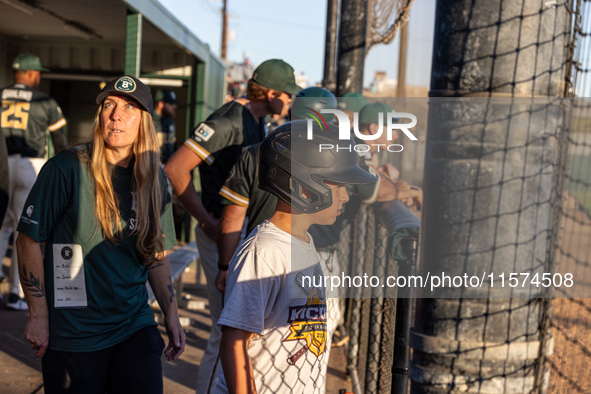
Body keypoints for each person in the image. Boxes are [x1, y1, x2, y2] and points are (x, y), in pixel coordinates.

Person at [15, 75, 185, 393]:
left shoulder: (155, 182)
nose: (115, 114)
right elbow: (28, 240)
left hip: (133, 321)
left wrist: (171, 314)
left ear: (145, 122)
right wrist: (37, 315)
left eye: (128, 108)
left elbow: (156, 255)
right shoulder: (67, 169)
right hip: (74, 329)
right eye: (109, 105)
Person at [164, 58, 301, 394]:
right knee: (226, 329)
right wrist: (204, 218)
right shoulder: (228, 119)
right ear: (269, 92)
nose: (290, 102)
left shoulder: (255, 120)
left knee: (237, 328)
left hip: (237, 231)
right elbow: (175, 168)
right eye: (287, 94)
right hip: (220, 232)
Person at [214, 120, 378, 394]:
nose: (346, 196)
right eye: (339, 186)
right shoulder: (264, 251)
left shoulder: (303, 241)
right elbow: (234, 340)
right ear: (305, 189)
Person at [0, 53, 67, 308]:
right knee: (25, 229)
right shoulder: (44, 101)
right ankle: (17, 293)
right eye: (37, 72)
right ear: (28, 73)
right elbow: (60, 142)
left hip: (1, 165)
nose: (39, 76)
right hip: (31, 166)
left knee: (1, 225)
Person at [153, 89, 179, 164]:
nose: (174, 106)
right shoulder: (148, 120)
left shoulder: (170, 121)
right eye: (171, 103)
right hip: (152, 167)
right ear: (160, 104)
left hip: (167, 167)